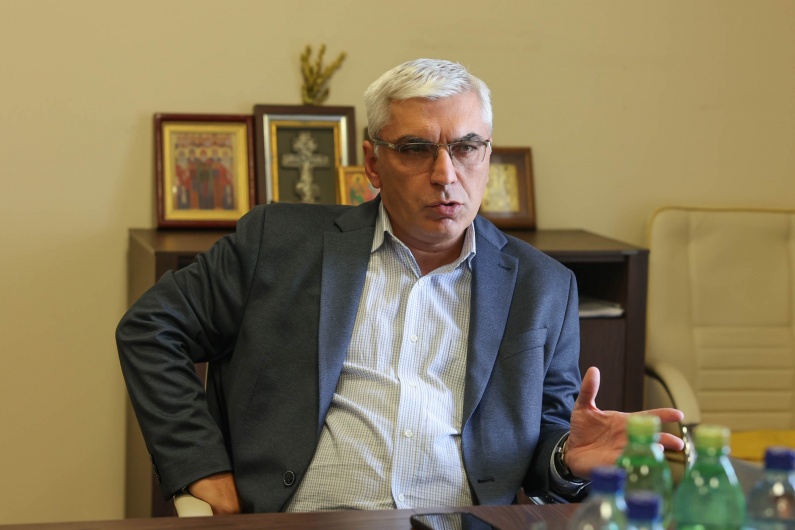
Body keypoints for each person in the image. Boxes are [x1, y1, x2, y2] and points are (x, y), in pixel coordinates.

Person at [116, 58, 683, 516]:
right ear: (373, 162)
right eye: (416, 149)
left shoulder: (543, 286)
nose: (445, 175)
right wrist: (202, 468)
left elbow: (547, 445)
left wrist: (567, 456)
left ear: (487, 156)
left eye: (466, 148)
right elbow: (150, 329)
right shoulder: (279, 244)